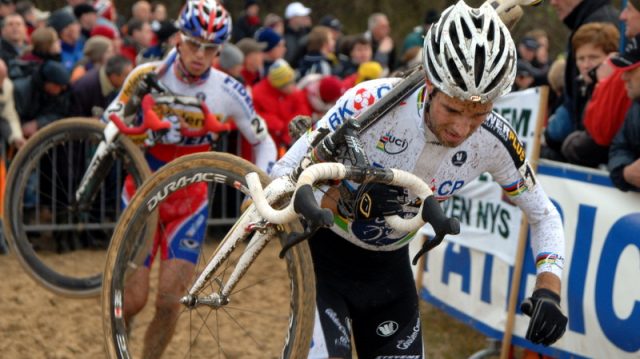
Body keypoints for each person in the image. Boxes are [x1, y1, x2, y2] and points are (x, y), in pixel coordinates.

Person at [271, 2, 567, 357]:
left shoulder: (496, 140)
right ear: (430, 86)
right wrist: (340, 200)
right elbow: (282, 175)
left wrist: (549, 288)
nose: (461, 127)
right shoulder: (370, 103)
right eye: (453, 109)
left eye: (479, 112)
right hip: (325, 264)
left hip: (389, 274)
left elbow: (544, 214)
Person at [107, 1, 276, 357]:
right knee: (133, 300)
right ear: (179, 40)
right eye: (194, 44)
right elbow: (111, 119)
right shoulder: (146, 74)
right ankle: (118, 342)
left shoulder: (229, 90)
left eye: (210, 48)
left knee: (170, 302)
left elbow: (265, 142)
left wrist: (266, 187)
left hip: (190, 202)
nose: (201, 55)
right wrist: (136, 130)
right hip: (142, 194)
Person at [608, 33, 640, 192]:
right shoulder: (636, 107)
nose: (623, 77)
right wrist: (626, 172)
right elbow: (619, 147)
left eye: (632, 69)